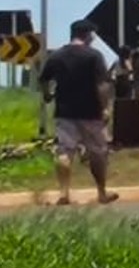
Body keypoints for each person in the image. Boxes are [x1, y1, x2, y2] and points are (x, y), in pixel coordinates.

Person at [38, 19, 119, 206]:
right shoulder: (94, 56)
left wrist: (47, 94)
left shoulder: (57, 56)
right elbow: (102, 85)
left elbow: (43, 79)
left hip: (65, 112)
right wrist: (105, 107)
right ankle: (101, 193)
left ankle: (64, 193)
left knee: (64, 151)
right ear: (87, 34)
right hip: (91, 111)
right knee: (97, 152)